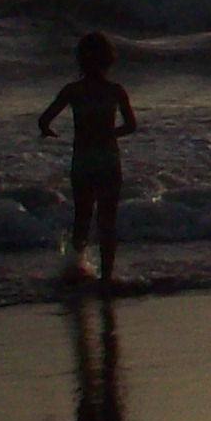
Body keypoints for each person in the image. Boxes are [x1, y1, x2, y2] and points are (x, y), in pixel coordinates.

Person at [39, 32, 138, 286]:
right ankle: (106, 277)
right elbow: (131, 126)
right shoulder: (115, 90)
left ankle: (77, 270)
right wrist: (109, 132)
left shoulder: (73, 91)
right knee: (107, 220)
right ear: (109, 60)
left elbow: (44, 119)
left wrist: (47, 132)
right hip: (108, 158)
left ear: (80, 60)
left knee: (82, 216)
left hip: (82, 160)